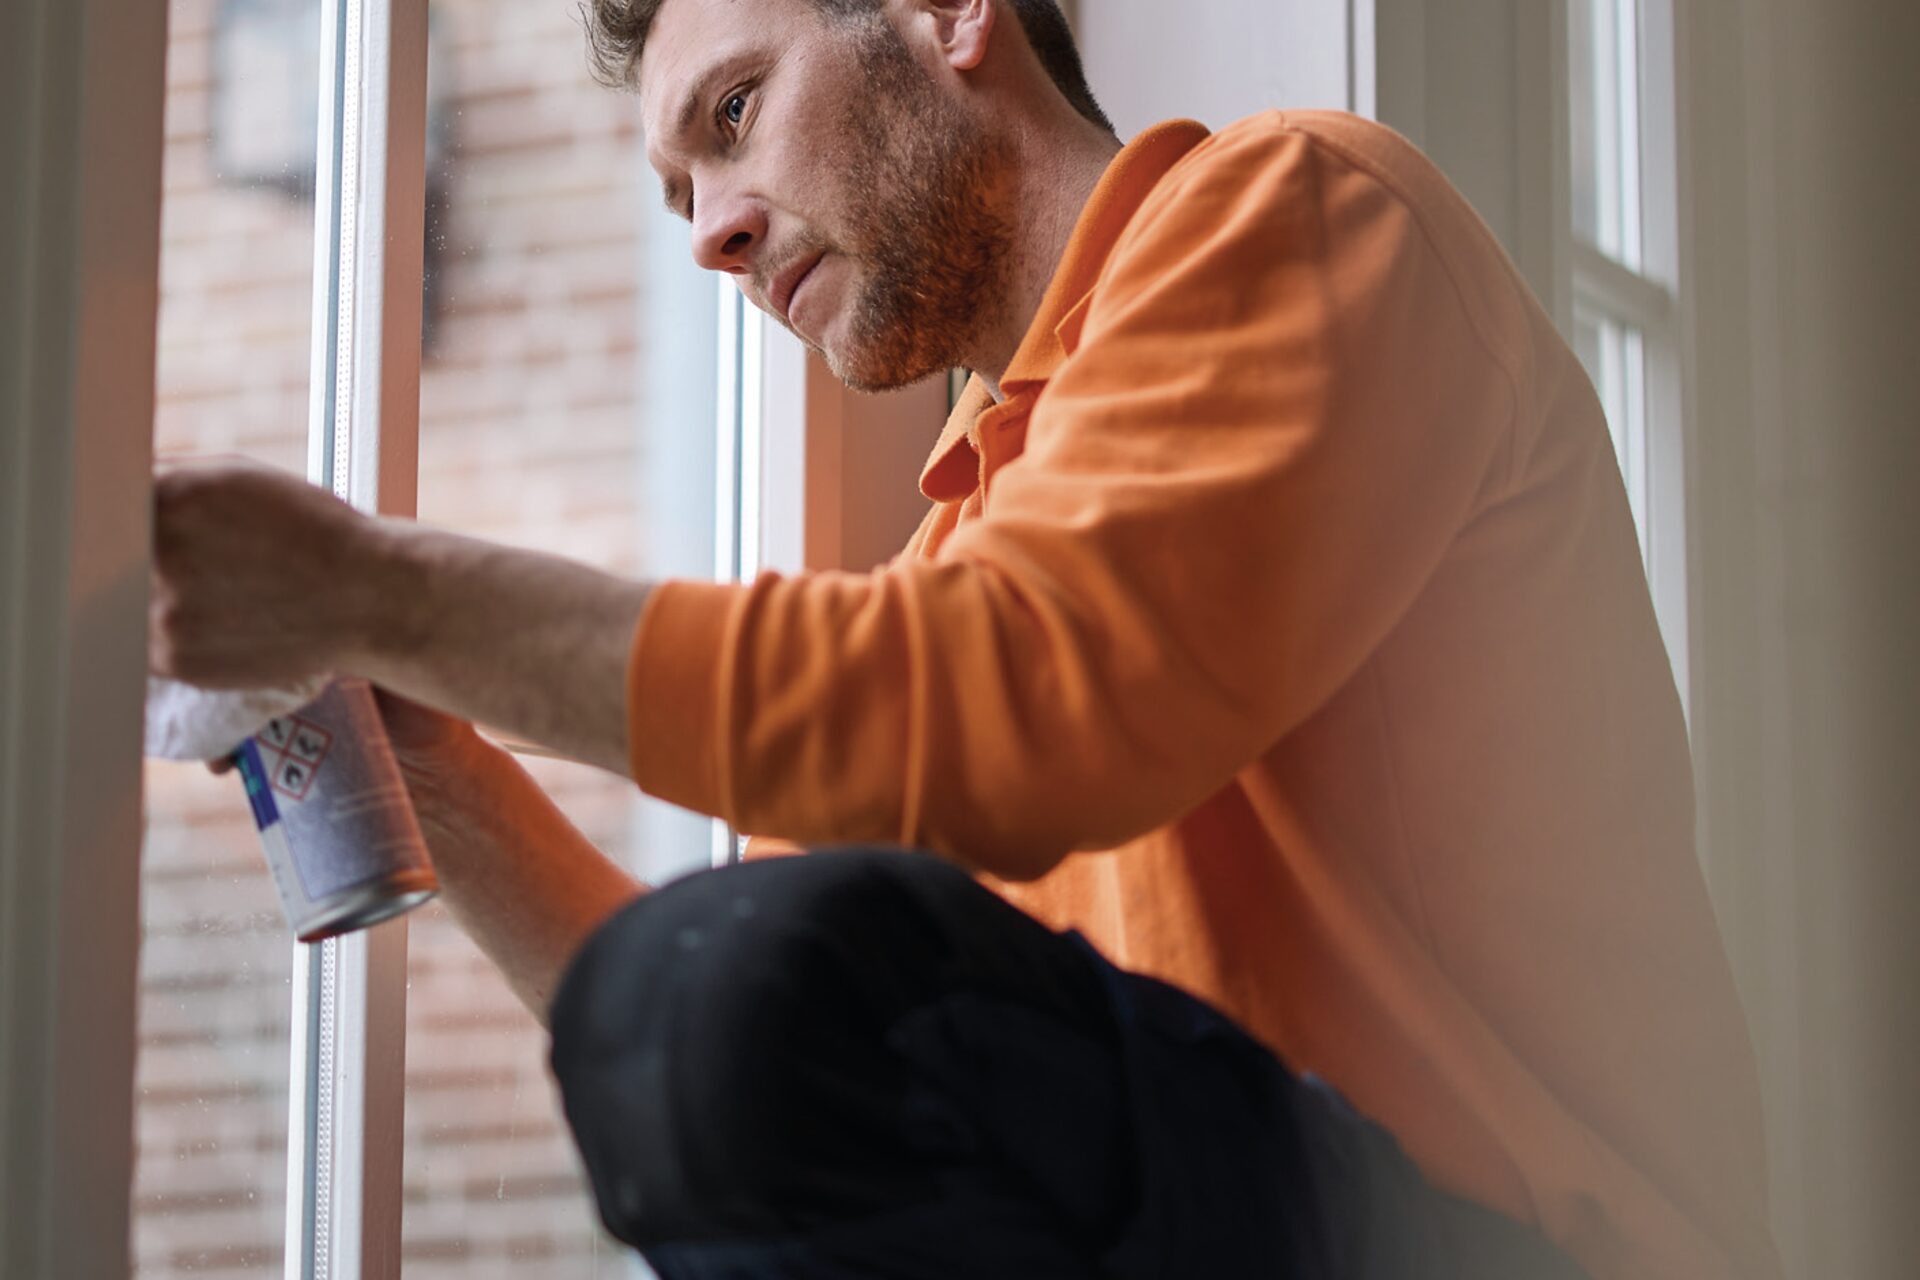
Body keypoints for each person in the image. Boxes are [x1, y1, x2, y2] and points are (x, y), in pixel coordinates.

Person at [149, 0, 1781, 1277]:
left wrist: (375, 584)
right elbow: (731, 1070)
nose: (711, 230)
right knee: (740, 1010)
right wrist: (428, 754)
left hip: (1512, 1255)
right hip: (1212, 1216)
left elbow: (1019, 710)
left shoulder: (1303, 216)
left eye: (734, 116)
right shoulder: (956, 562)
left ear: (945, 9)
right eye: (680, 197)